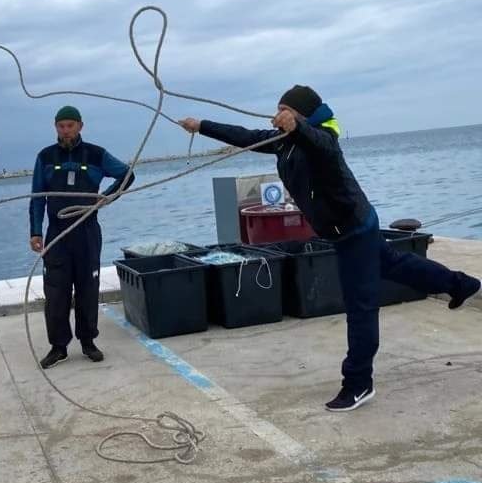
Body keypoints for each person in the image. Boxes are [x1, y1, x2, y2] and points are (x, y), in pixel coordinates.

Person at [179, 85, 480, 412]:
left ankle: (359, 383)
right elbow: (246, 136)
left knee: (361, 306)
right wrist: (202, 126)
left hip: (354, 230)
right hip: (352, 225)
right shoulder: (283, 141)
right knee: (395, 265)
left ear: (301, 114)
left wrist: (298, 127)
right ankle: (460, 284)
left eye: (284, 110)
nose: (277, 115)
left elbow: (318, 141)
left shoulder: (322, 140)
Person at [30, 106, 135, 369]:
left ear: (80, 126)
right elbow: (37, 198)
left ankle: (88, 341)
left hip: (87, 231)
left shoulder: (96, 154)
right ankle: (59, 347)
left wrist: (106, 197)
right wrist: (35, 231)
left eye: (70, 125)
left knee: (87, 289)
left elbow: (127, 175)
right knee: (56, 291)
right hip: (57, 234)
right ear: (56, 127)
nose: (66, 130)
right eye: (61, 126)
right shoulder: (45, 157)